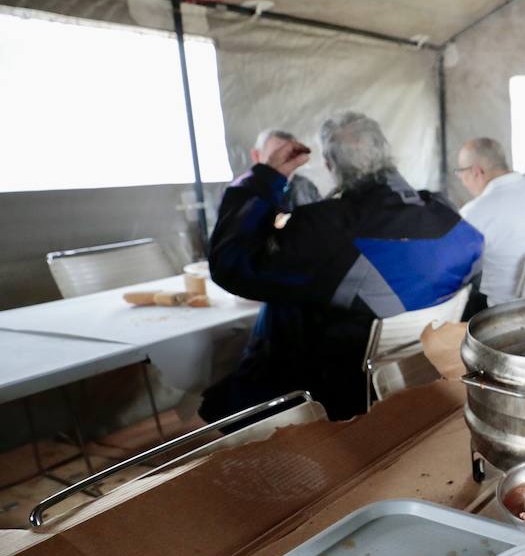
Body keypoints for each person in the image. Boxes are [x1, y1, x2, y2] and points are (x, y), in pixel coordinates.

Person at [202, 112, 482, 421]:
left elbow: (231, 264)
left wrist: (266, 177)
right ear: (386, 152)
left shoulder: (322, 227)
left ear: (330, 165)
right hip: (416, 372)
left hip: (333, 391)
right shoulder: (442, 211)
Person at [456, 139, 525, 314]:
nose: (462, 181)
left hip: (502, 314)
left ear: (476, 172)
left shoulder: (477, 210)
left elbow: (451, 266)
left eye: (461, 173)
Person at [251, 128, 321, 209]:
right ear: (256, 156)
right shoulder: (245, 197)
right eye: (277, 158)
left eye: (291, 157)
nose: (286, 167)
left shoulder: (306, 187)